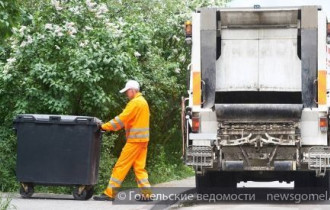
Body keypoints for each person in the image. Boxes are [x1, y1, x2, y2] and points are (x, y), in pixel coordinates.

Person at [93, 80, 152, 201]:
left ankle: (110, 193)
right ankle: (147, 194)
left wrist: (104, 126)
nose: (126, 94)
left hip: (135, 141)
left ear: (132, 90)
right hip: (143, 140)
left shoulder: (135, 103)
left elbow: (121, 119)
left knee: (120, 166)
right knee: (139, 168)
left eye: (127, 92)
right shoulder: (143, 102)